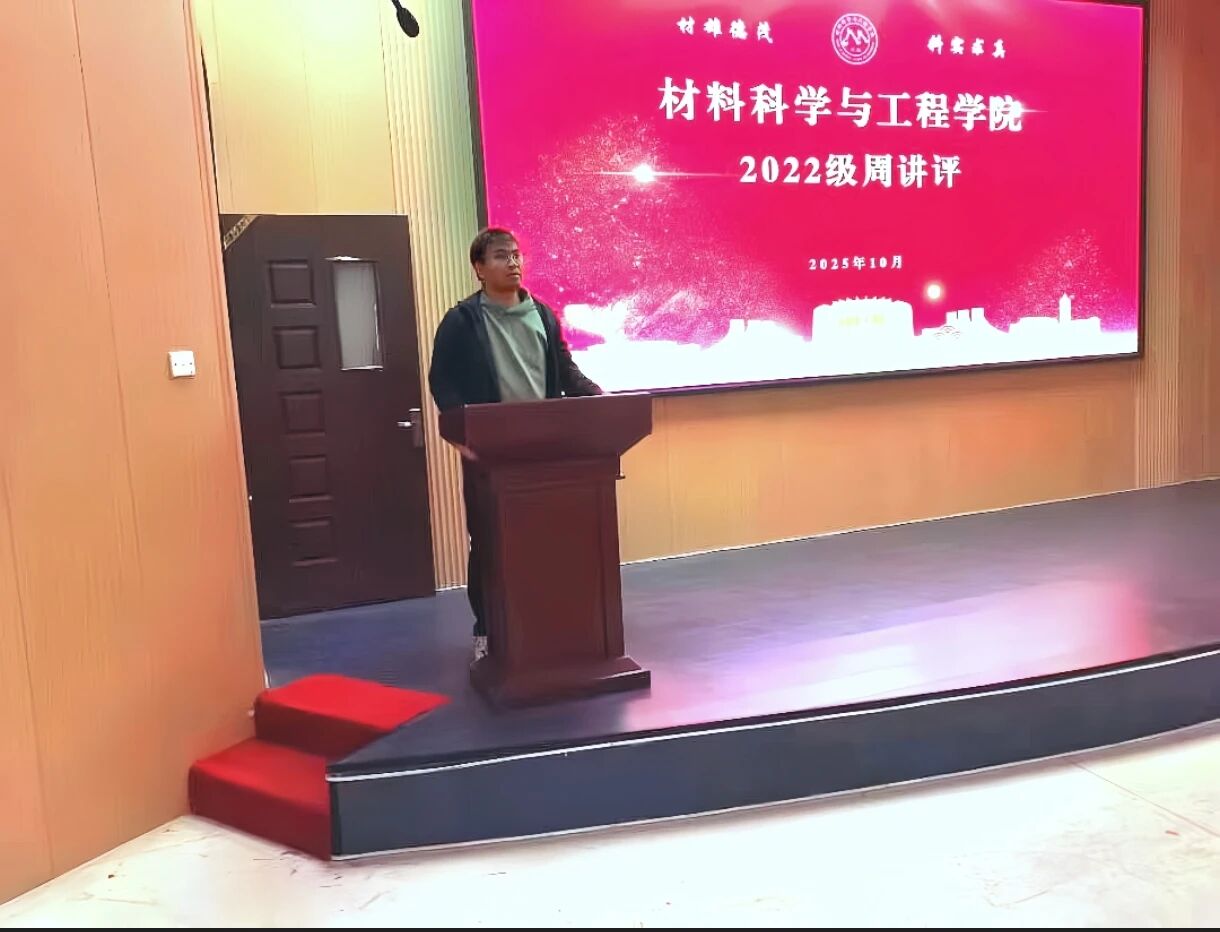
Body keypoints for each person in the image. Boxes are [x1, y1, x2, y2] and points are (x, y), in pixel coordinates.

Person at [428, 227, 602, 662]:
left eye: (517, 254)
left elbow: (564, 370)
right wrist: (461, 434)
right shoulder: (462, 321)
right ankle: (486, 631)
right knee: (489, 544)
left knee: (545, 539)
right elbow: (442, 381)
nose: (513, 263)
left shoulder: (542, 314)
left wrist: (601, 399)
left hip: (544, 448)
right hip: (490, 452)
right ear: (479, 268)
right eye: (501, 256)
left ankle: (543, 624)